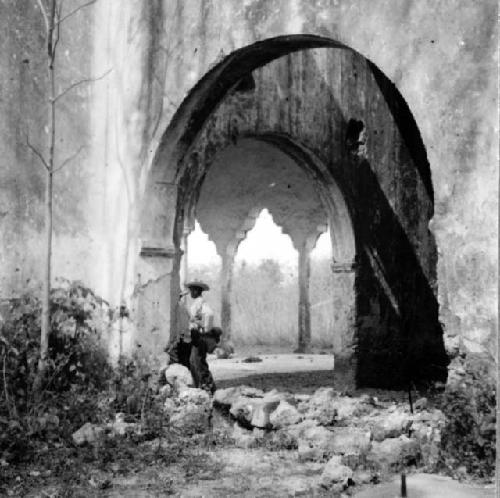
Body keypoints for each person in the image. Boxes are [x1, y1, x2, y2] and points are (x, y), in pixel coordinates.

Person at [165, 281, 222, 394]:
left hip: (198, 337)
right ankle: (204, 387)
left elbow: (208, 317)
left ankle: (209, 388)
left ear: (196, 291)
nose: (190, 293)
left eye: (192, 290)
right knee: (194, 362)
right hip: (195, 337)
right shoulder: (197, 303)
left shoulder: (199, 303)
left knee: (198, 362)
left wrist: (199, 324)